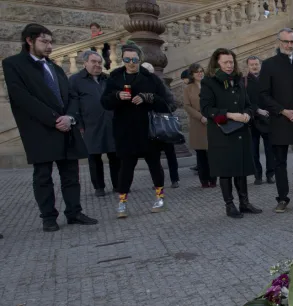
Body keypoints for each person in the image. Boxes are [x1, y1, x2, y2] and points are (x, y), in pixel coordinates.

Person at [3, 23, 98, 232]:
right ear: (29, 40)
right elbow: (22, 98)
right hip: (40, 130)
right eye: (44, 41)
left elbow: (71, 95)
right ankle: (48, 217)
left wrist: (70, 118)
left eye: (50, 42)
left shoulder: (55, 67)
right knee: (43, 176)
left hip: (67, 127)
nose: (49, 46)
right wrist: (55, 119)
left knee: (71, 174)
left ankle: (74, 212)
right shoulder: (13, 65)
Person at [101, 41, 170, 218]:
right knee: (125, 168)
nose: (131, 62)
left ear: (140, 59)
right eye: (127, 59)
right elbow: (105, 102)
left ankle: (160, 198)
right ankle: (122, 202)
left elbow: (166, 103)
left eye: (134, 59)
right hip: (125, 130)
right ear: (123, 59)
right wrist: (117, 96)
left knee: (154, 164)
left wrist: (148, 97)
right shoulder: (115, 78)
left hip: (148, 129)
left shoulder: (151, 78)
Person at [201, 48, 262, 218]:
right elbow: (206, 109)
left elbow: (248, 104)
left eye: (231, 62)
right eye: (225, 62)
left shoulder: (239, 81)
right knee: (226, 170)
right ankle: (229, 205)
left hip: (241, 132)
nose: (229, 65)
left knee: (241, 168)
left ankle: (244, 202)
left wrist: (247, 115)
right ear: (217, 63)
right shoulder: (209, 82)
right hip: (222, 133)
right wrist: (229, 114)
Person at [260, 28, 293, 213]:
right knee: (280, 162)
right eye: (286, 41)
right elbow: (264, 95)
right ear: (279, 42)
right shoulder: (268, 65)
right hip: (280, 120)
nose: (289, 45)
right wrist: (282, 111)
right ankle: (282, 198)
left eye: (292, 42)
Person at [69, 50, 119, 197]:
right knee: (94, 157)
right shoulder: (75, 80)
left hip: (110, 123)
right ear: (85, 63)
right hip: (90, 124)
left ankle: (117, 184)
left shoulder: (107, 79)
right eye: (93, 62)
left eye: (99, 62)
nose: (97, 65)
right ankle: (99, 187)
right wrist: (79, 125)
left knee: (115, 156)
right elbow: (72, 103)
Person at [141, 62, 180, 188]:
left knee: (170, 153)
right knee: (153, 156)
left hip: (163, 123)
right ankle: (158, 181)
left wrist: (163, 108)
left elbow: (172, 103)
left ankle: (174, 179)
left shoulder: (160, 85)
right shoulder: (138, 86)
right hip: (148, 125)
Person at [183, 63, 216, 187]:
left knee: (212, 154)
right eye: (197, 72)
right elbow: (186, 106)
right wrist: (200, 116)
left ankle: (213, 179)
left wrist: (211, 115)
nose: (200, 73)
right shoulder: (188, 88)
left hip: (211, 122)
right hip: (198, 123)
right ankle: (204, 180)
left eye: (201, 71)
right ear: (192, 74)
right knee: (201, 155)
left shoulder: (209, 85)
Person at [244, 56, 275, 185]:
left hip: (267, 119)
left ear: (260, 65)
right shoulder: (243, 81)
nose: (255, 66)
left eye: (256, 64)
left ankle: (270, 175)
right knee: (253, 151)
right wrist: (257, 110)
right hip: (252, 120)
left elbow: (272, 97)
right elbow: (245, 100)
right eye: (252, 65)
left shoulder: (267, 79)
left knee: (270, 150)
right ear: (248, 66)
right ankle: (258, 175)